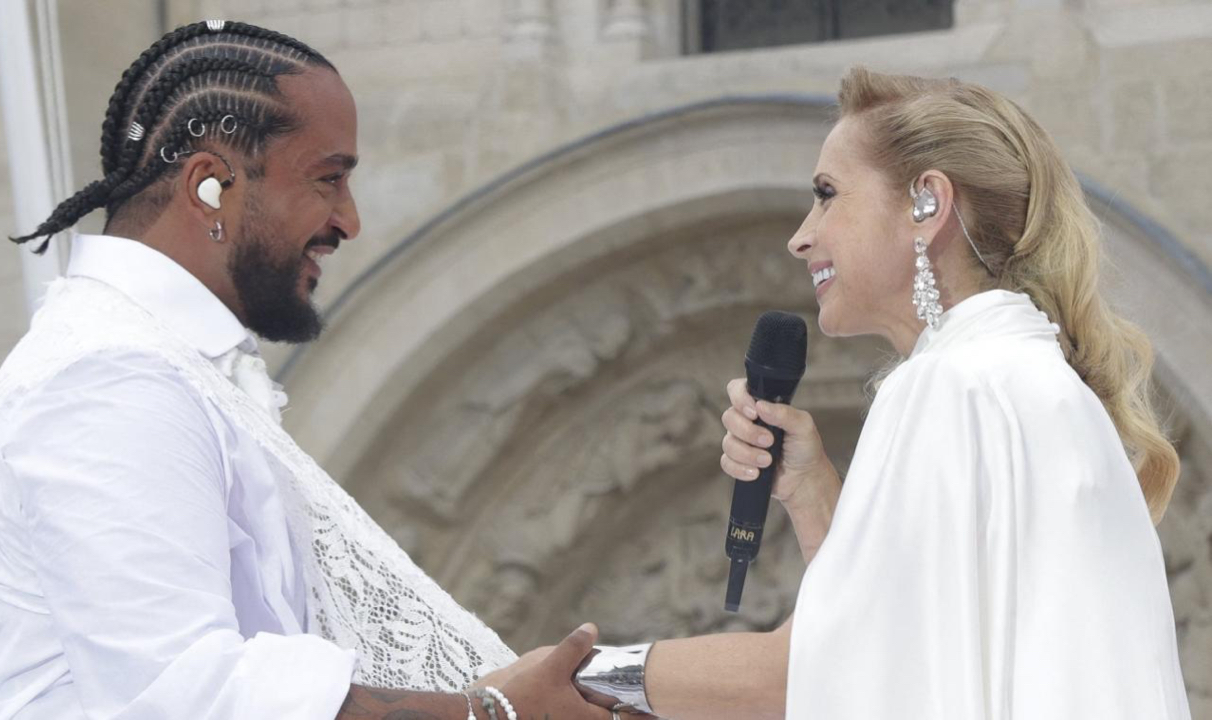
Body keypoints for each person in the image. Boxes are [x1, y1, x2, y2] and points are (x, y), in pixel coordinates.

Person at [0, 20, 611, 720]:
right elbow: (189, 696)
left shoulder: (154, 364)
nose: (349, 221)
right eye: (328, 180)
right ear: (209, 188)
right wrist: (490, 713)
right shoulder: (108, 380)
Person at [491, 67, 1194, 719]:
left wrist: (569, 677)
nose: (802, 238)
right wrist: (816, 495)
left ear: (928, 201)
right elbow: (907, 650)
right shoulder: (1034, 383)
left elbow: (802, 674)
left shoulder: (949, 384)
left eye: (827, 195)